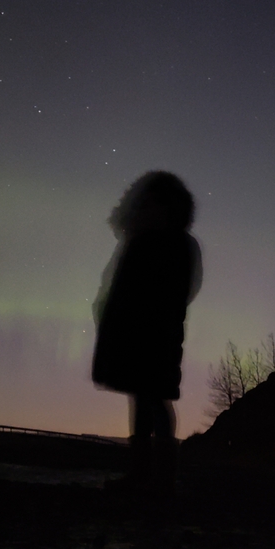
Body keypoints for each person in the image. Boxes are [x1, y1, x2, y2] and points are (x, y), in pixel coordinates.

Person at [92, 171, 203, 493]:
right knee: (141, 397)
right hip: (138, 331)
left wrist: (149, 315)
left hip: (158, 333)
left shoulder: (171, 244)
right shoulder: (143, 241)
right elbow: (117, 287)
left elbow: (179, 290)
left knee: (154, 398)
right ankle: (141, 474)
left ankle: (161, 478)